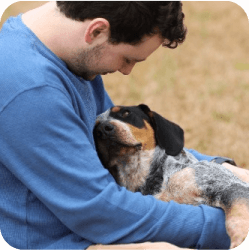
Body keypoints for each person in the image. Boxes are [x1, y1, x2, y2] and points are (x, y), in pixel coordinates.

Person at [0, 1, 239, 249]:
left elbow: (135, 152)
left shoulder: (67, 55)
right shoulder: (31, 90)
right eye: (128, 59)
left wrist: (221, 169)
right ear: (96, 31)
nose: (127, 71)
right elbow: (100, 211)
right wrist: (222, 225)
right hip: (69, 240)